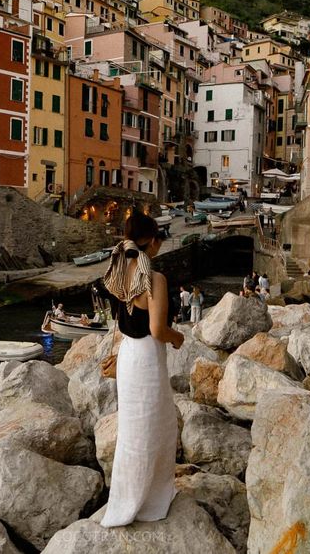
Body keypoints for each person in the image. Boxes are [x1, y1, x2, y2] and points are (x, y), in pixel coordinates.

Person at [100, 211, 184, 528]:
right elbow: (157, 329)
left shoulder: (120, 270)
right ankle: (150, 500)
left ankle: (126, 498)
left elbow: (123, 320)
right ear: (151, 241)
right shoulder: (155, 278)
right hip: (147, 357)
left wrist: (116, 354)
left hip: (129, 356)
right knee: (156, 428)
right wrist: (179, 338)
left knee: (134, 432)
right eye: (159, 238)